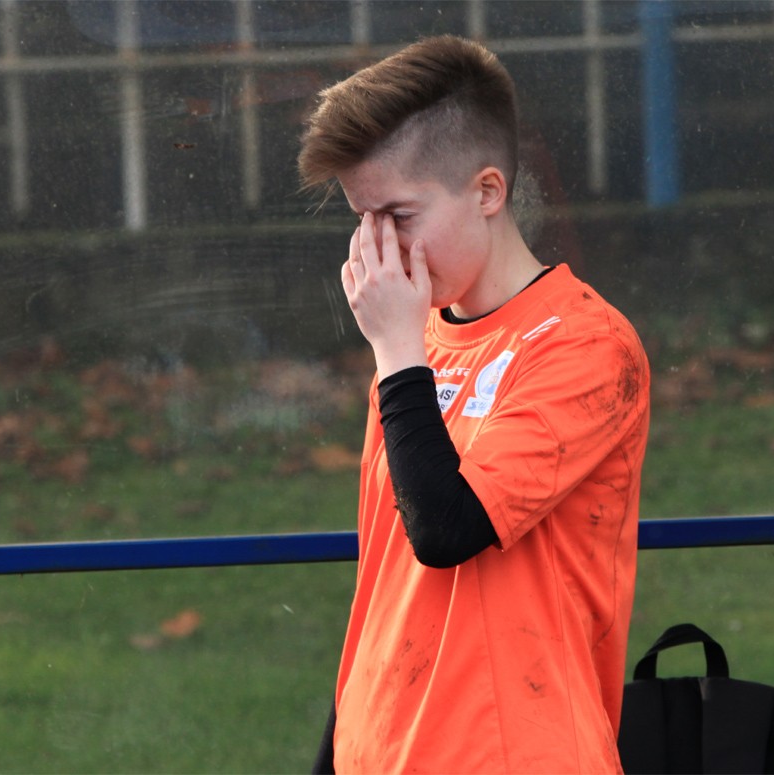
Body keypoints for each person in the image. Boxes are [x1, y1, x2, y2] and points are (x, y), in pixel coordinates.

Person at [299, 35, 650, 774]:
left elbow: (446, 529)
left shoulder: (586, 345)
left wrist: (398, 354)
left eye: (399, 216)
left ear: (488, 192)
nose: (378, 251)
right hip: (385, 748)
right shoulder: (413, 339)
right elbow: (389, 571)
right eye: (363, 219)